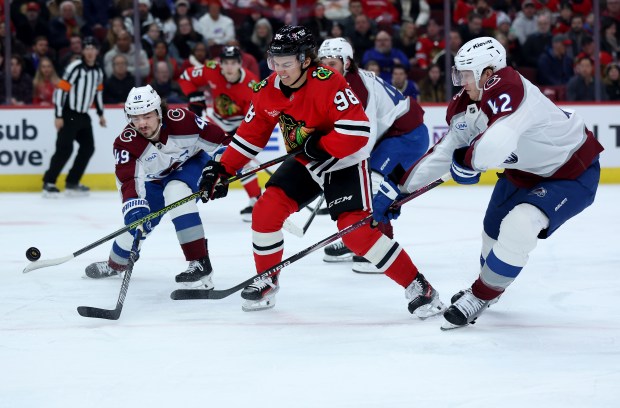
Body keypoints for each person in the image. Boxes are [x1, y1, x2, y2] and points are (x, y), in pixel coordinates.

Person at [199, 25, 445, 317]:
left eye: (286, 63)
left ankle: (420, 287)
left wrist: (322, 145)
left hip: (345, 161)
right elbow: (250, 136)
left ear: (305, 60)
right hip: (307, 160)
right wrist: (222, 168)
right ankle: (267, 279)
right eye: (274, 62)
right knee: (266, 209)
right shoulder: (267, 90)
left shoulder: (329, 82)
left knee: (356, 234)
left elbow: (359, 131)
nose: (279, 70)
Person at [371, 36, 604, 329]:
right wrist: (400, 190)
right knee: (491, 236)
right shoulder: (466, 105)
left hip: (571, 172)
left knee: (520, 226)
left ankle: (481, 294)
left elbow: (497, 141)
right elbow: (443, 153)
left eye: (466, 74)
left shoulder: (510, 86)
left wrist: (470, 162)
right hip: (522, 173)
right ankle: (490, 286)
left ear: (488, 72)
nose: (461, 81)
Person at [84, 85, 231, 288]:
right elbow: (129, 180)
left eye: (147, 116)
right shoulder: (126, 143)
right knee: (137, 224)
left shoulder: (182, 121)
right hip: (155, 179)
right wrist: (134, 206)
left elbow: (222, 141)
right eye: (135, 118)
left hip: (191, 165)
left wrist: (222, 173)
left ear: (158, 111)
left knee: (176, 191)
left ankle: (199, 262)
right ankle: (116, 264)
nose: (142, 123)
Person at [318, 37, 430, 273]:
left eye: (333, 64)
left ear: (347, 63)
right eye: (323, 63)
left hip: (406, 136)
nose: (326, 69)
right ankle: (357, 238)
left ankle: (380, 246)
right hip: (389, 136)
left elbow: (362, 140)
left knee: (375, 186)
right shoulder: (333, 83)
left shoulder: (357, 89)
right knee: (361, 183)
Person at [178, 46, 262, 221]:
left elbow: (254, 119)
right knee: (198, 153)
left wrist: (239, 136)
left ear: (240, 64)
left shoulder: (252, 85)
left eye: (233, 63)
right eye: (225, 63)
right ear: (220, 64)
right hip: (216, 120)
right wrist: (193, 95)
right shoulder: (211, 68)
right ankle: (191, 193)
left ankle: (257, 201)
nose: (229, 67)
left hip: (242, 124)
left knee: (242, 163)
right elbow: (186, 77)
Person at [42, 36, 106, 197]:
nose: (90, 51)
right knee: (65, 148)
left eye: (93, 48)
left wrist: (100, 114)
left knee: (88, 148)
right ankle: (49, 182)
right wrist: (58, 115)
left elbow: (98, 93)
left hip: (84, 115)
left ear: (97, 51)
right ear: (83, 51)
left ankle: (72, 182)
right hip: (69, 113)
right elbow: (61, 91)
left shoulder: (98, 71)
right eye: (87, 48)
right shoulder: (75, 68)